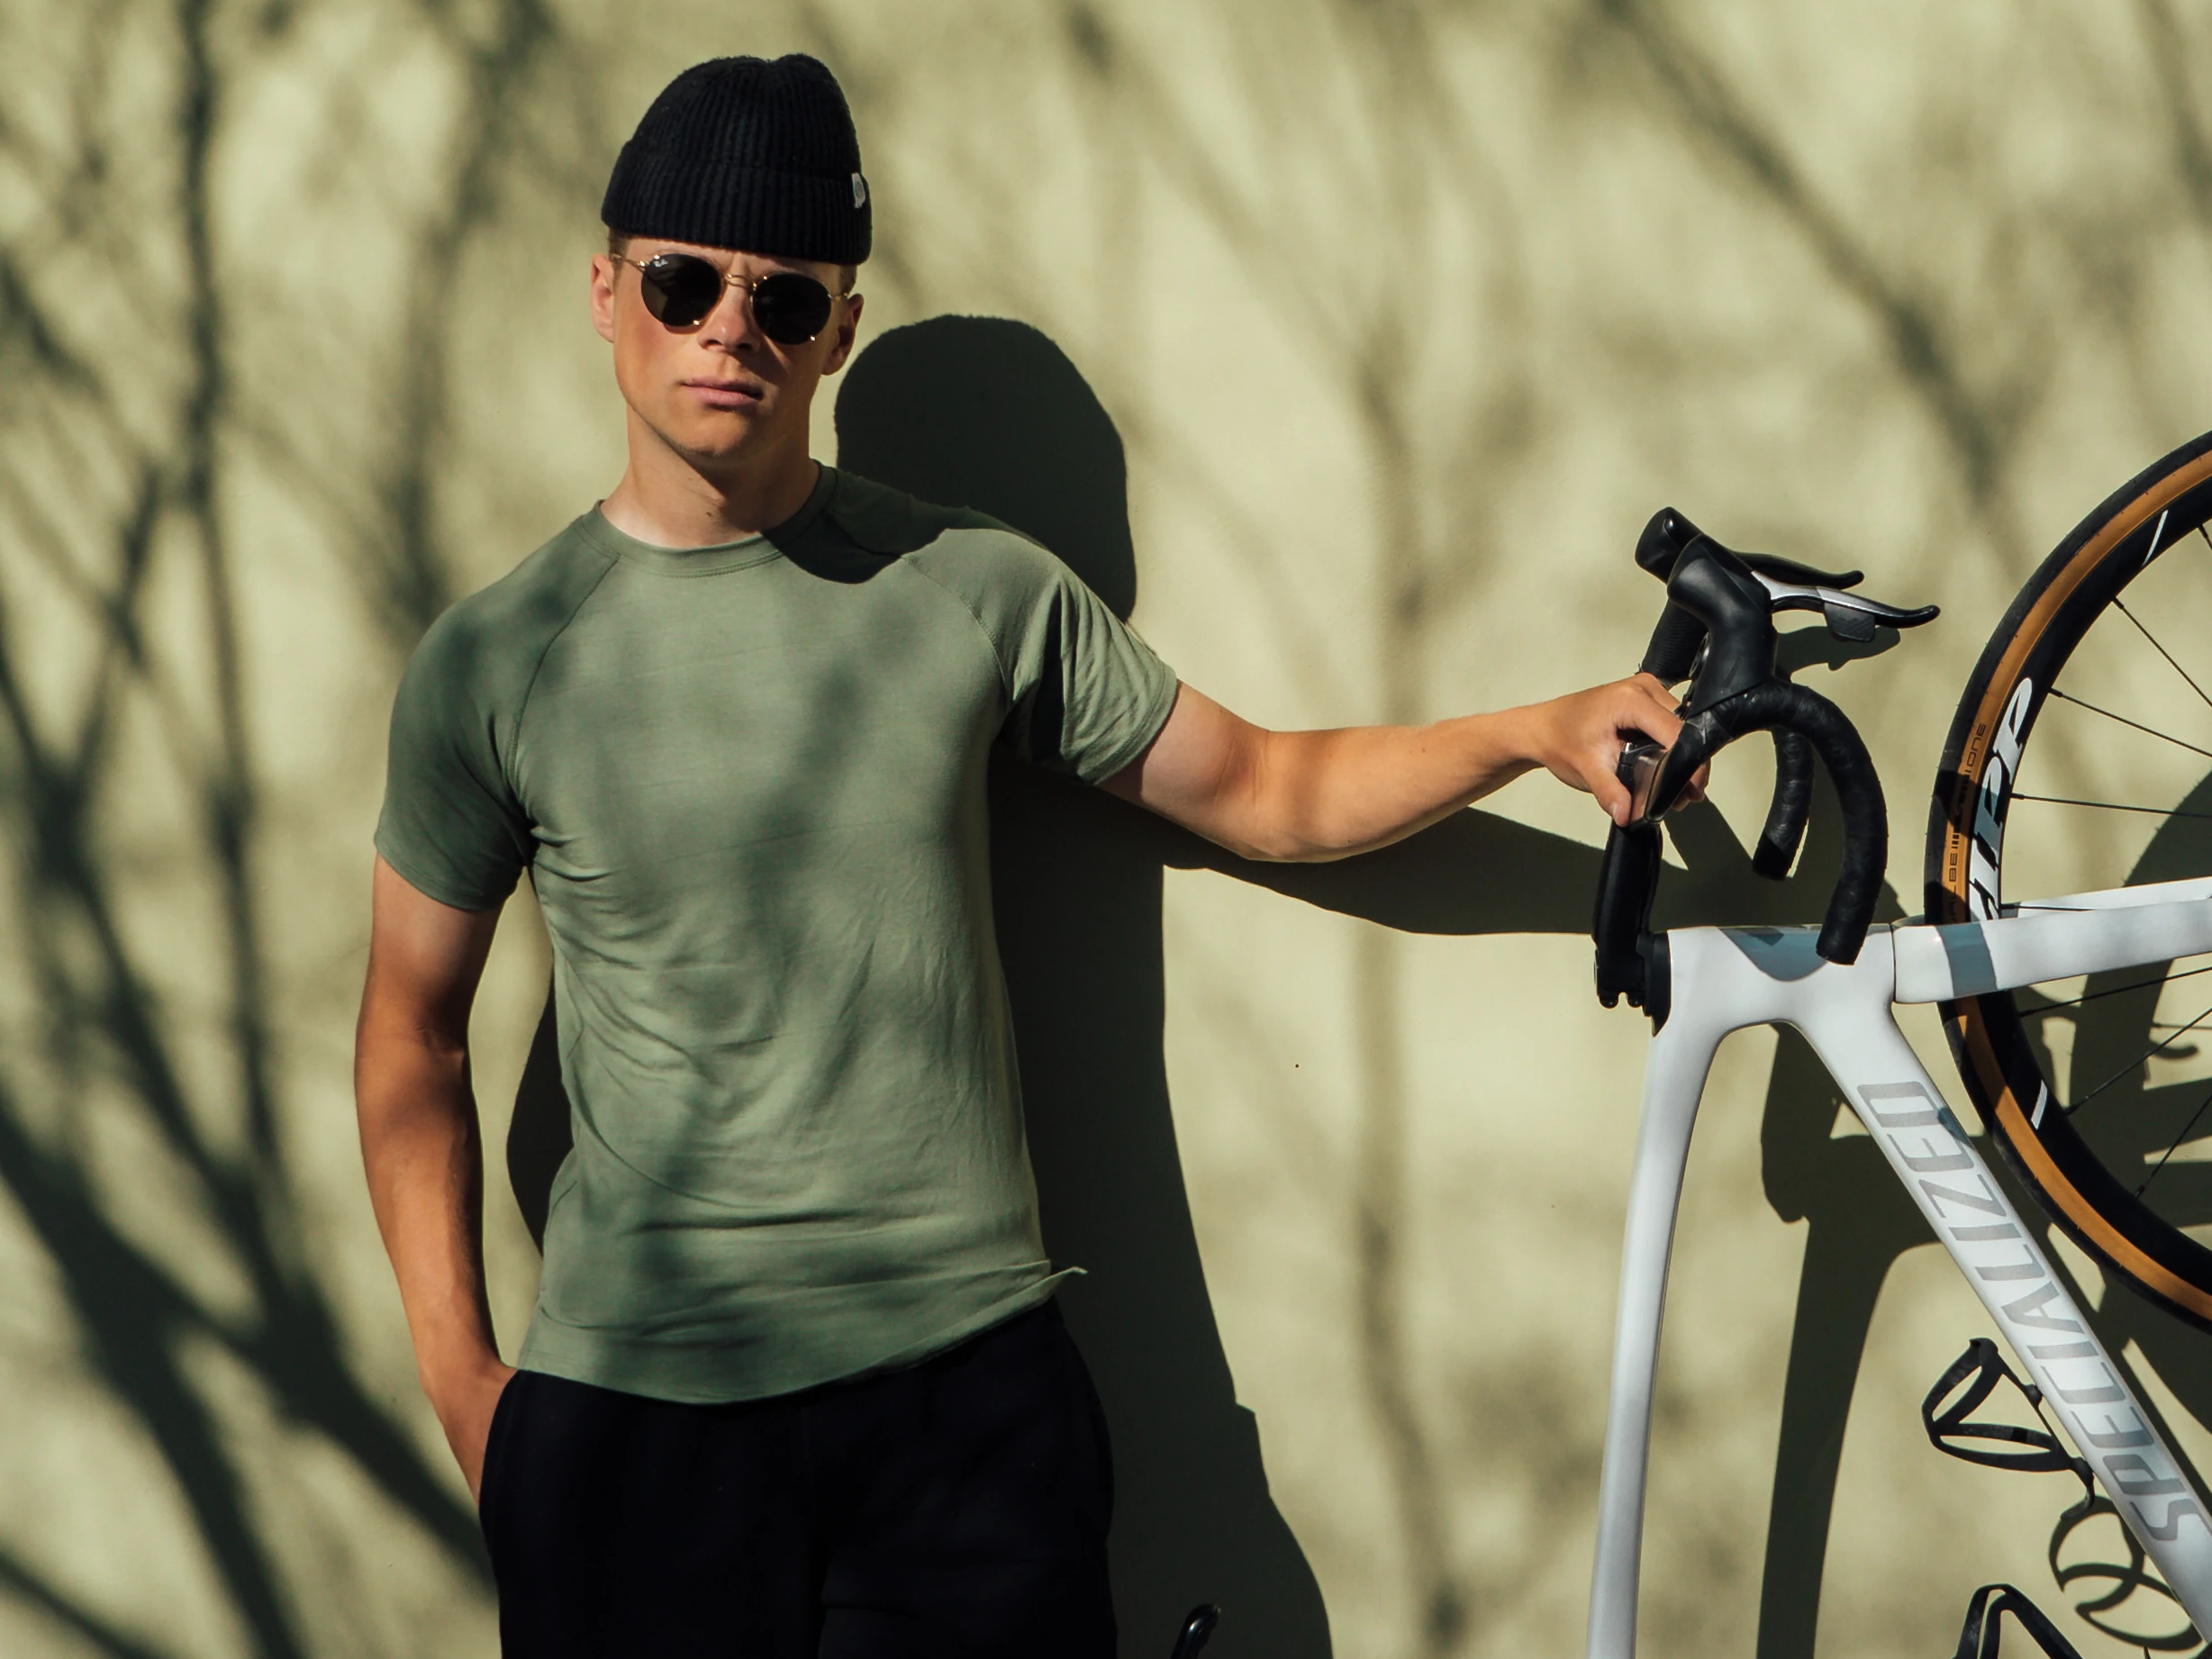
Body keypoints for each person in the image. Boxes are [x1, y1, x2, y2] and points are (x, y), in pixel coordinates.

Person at [353, 51, 1691, 1659]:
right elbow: (411, 1037)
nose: (729, 329)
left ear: (840, 329)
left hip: (962, 1415)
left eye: (786, 297)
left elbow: (1263, 784)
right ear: (606, 290)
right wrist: (467, 1387)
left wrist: (1535, 729)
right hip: (639, 1426)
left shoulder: (968, 587)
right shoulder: (498, 659)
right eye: (684, 281)